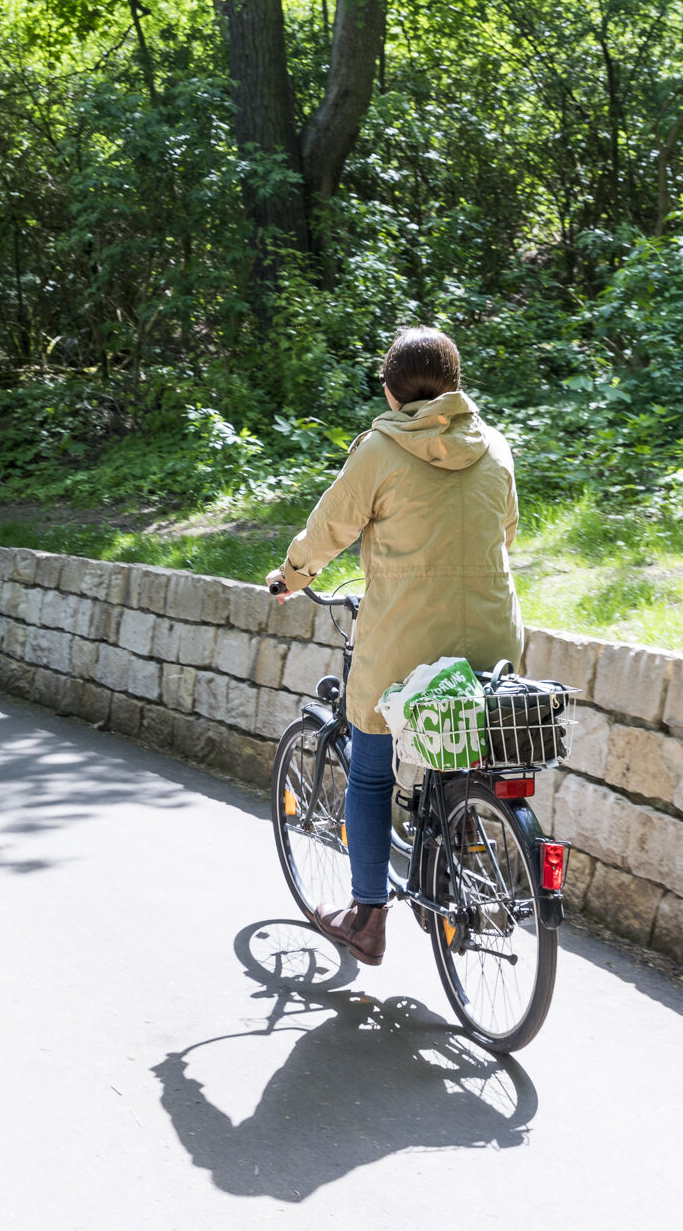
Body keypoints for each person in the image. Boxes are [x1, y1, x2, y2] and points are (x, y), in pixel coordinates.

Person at [265, 327, 524, 967]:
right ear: (456, 386)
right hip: (493, 640)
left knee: (373, 770)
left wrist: (292, 577)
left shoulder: (380, 450)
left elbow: (329, 529)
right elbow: (508, 532)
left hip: (404, 640)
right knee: (468, 747)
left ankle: (368, 916)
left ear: (389, 389)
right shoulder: (495, 446)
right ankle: (462, 842)